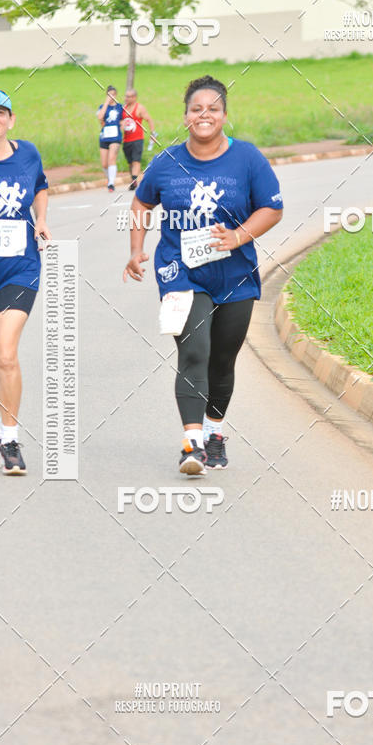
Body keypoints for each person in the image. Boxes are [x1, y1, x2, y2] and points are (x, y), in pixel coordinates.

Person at [123, 75, 283, 475]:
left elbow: (272, 208)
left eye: (213, 108)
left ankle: (214, 432)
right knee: (194, 351)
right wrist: (136, 249)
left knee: (223, 360)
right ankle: (192, 445)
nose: (204, 115)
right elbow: (141, 202)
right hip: (179, 273)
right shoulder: (167, 161)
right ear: (186, 116)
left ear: (224, 115)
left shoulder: (247, 159)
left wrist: (238, 236)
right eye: (196, 109)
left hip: (235, 275)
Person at [0, 87, 51, 474]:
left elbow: (40, 186)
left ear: (11, 119)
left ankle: (11, 439)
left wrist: (42, 219)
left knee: (5, 354)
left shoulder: (28, 153)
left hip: (20, 268)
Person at [121, 88, 156, 191]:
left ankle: (133, 181)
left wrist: (152, 133)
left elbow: (149, 119)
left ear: (134, 97)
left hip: (137, 139)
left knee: (136, 160)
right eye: (126, 96)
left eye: (129, 96)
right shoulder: (123, 108)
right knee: (130, 162)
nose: (126, 98)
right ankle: (134, 179)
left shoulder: (139, 108)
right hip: (126, 140)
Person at [96, 85, 123, 192]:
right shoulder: (102, 107)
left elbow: (123, 120)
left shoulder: (120, 107)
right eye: (109, 95)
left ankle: (111, 183)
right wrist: (106, 103)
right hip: (104, 136)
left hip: (115, 137)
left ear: (116, 95)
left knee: (112, 158)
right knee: (104, 163)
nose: (111, 97)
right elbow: (100, 117)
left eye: (113, 94)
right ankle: (109, 179)